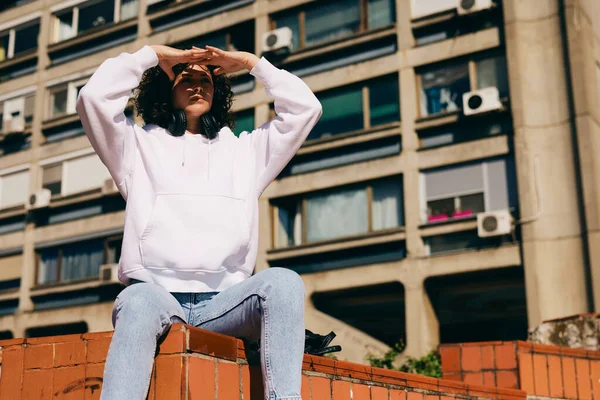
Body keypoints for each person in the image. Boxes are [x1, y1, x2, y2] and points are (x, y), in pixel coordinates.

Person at [76, 43, 322, 399]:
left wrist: (252, 64)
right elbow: (92, 99)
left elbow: (305, 110)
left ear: (216, 91)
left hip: (225, 303)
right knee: (138, 303)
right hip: (157, 295)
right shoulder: (135, 147)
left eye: (205, 80)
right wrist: (152, 55)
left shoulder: (245, 152)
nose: (196, 86)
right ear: (166, 89)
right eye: (184, 78)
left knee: (284, 284)